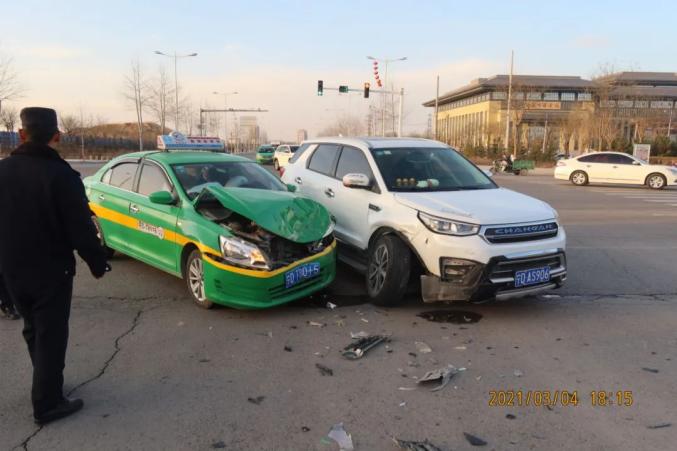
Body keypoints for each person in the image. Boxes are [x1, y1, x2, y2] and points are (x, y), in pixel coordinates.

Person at [0, 107, 110, 425]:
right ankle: (47, 404)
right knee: (51, 334)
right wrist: (97, 263)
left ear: (21, 134)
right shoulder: (61, 176)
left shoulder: (2, 172)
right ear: (56, 136)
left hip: (11, 270)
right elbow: (80, 228)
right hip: (50, 270)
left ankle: (45, 384)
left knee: (33, 329)